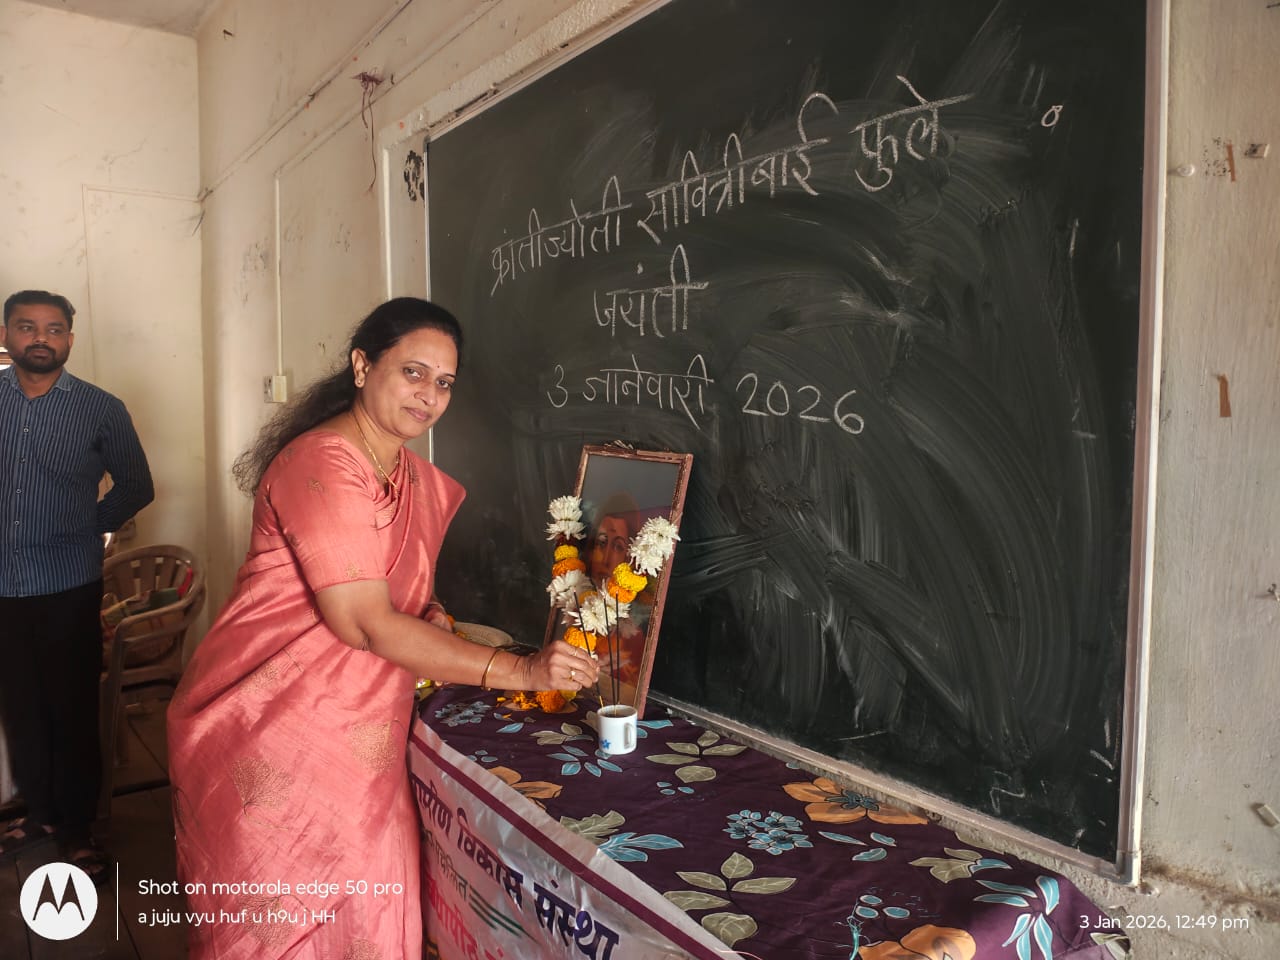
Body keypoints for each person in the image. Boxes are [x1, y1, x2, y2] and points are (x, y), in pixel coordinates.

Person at [166, 297, 597, 959]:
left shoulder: (410, 474)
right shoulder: (323, 463)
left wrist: (430, 612)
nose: (429, 395)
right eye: (413, 373)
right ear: (363, 366)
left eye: (445, 383)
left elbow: (394, 589)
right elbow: (365, 624)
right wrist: (523, 669)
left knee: (369, 918)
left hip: (366, 735)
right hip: (276, 732)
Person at [0, 289, 154, 882]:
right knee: (19, 707)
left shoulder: (100, 409)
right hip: (3, 587)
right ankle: (39, 815)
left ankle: (77, 830)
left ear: (69, 338)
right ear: (7, 335)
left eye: (54, 328)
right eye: (27, 326)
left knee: (71, 709)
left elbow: (136, 484)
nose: (40, 338)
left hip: (67, 583)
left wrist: (87, 526)